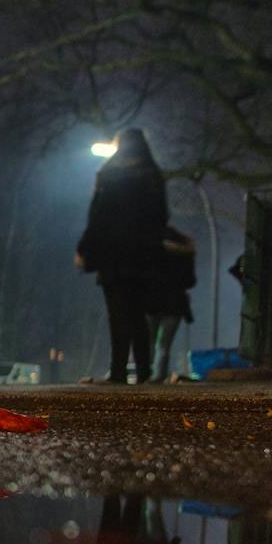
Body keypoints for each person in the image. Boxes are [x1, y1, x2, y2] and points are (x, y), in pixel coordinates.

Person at [75, 128, 168, 384]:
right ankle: (144, 370)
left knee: (117, 313)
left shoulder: (109, 175)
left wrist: (84, 248)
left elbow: (97, 217)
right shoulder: (152, 175)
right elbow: (161, 217)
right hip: (142, 255)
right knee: (139, 314)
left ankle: (118, 370)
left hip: (112, 254)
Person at [146, 227, 196, 382]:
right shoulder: (185, 255)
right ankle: (158, 376)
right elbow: (190, 281)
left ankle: (146, 372)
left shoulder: (150, 251)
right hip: (175, 303)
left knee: (149, 340)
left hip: (152, 301)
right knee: (164, 344)